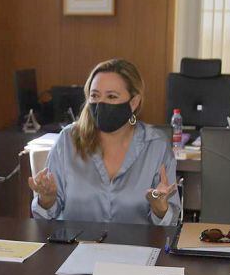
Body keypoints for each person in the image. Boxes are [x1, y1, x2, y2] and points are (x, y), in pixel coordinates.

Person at [28, 59, 180, 226]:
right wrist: (47, 200)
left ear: (134, 102)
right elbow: (44, 217)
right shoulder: (68, 140)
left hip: (134, 249)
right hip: (76, 248)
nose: (101, 104)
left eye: (111, 96)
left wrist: (160, 209)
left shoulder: (156, 145)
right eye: (95, 96)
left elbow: (170, 222)